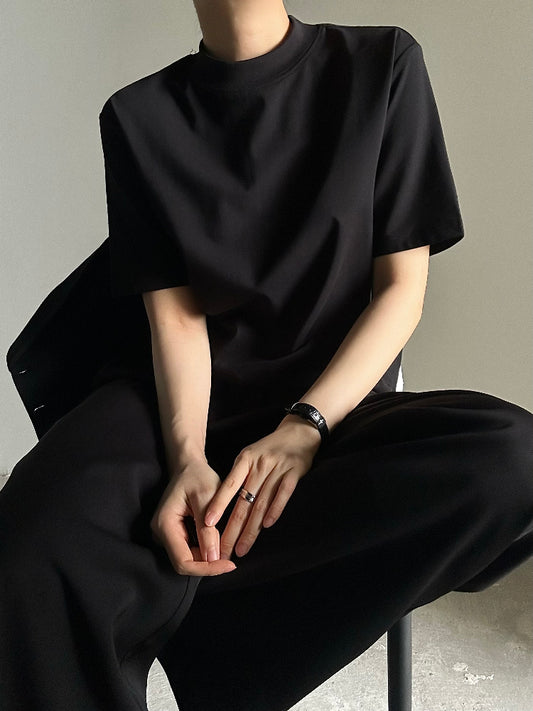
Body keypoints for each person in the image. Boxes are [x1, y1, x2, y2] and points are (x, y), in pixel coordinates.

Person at [1, 2, 533, 710]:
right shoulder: (138, 114)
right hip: (165, 404)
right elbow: (178, 317)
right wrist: (187, 456)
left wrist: (305, 424)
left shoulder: (382, 65)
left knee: (512, 457)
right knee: (30, 542)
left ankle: (208, 632)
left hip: (327, 403)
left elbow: (400, 291)